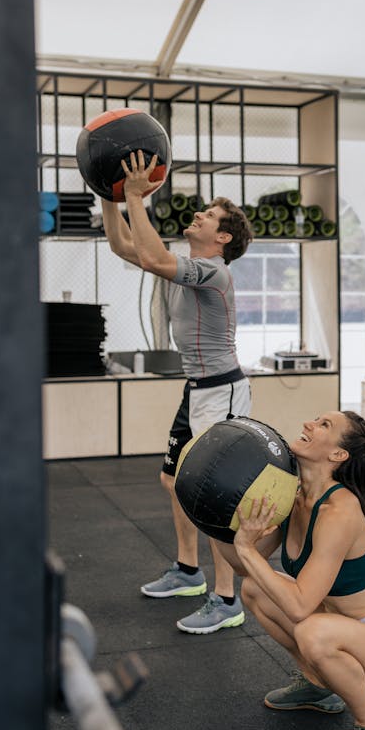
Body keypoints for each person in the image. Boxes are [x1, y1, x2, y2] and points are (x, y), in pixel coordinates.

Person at [101, 149, 254, 634]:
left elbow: (146, 252)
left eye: (207, 216)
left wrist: (135, 195)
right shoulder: (182, 264)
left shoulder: (214, 273)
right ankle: (188, 571)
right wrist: (111, 197)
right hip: (197, 391)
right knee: (172, 480)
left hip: (222, 393)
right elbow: (126, 248)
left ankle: (227, 599)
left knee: (214, 497)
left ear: (223, 237)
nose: (197, 215)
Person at [223, 409, 365, 730]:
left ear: (338, 455)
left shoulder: (338, 510)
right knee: (254, 589)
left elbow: (299, 606)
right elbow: (242, 566)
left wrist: (247, 550)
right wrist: (217, 518)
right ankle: (318, 684)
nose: (309, 423)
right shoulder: (294, 497)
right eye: (314, 418)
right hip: (337, 629)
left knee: (310, 629)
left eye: (324, 425)